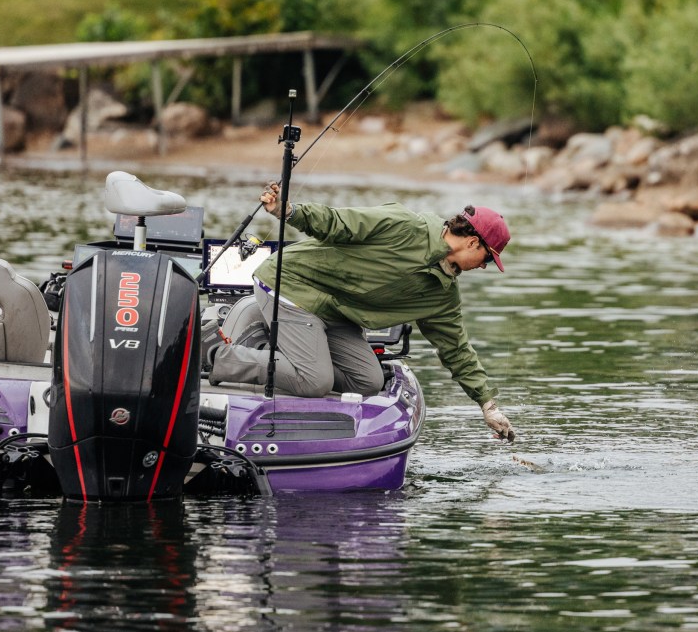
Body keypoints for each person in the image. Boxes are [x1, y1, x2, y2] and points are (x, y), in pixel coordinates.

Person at [206, 183, 517, 442]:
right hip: (291, 285)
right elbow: (337, 223)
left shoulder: (444, 294)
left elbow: (456, 349)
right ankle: (218, 356)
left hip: (336, 314)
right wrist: (289, 211)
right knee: (314, 381)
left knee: (367, 381)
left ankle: (290, 355)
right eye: (488, 259)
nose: (484, 266)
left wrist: (487, 404)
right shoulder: (405, 224)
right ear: (473, 242)